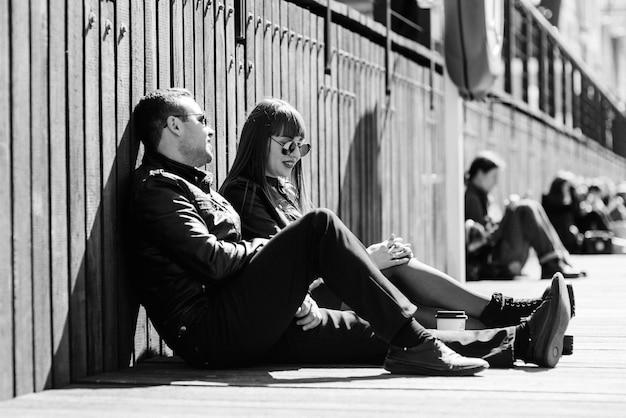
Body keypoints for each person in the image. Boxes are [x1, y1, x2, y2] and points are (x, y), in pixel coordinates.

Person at [130, 88, 571, 377]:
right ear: (173, 125)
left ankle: (518, 340)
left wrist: (286, 288)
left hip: (247, 318)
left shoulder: (195, 188)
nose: (209, 127)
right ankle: (439, 337)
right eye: (200, 118)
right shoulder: (158, 189)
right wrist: (289, 273)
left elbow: (234, 261)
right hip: (211, 333)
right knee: (320, 226)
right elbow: (214, 260)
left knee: (372, 333)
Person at [220, 97, 576, 329]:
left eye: (302, 146)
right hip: (298, 308)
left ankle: (506, 326)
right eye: (287, 144)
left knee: (397, 273)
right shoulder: (244, 193)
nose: (295, 153)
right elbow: (280, 270)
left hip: (321, 292)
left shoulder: (284, 190)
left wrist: (373, 257)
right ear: (258, 141)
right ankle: (506, 316)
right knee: (392, 276)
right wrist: (369, 258)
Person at [464, 152, 584, 280]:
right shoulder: (472, 198)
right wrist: (509, 213)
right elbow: (485, 240)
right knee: (524, 208)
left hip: (501, 254)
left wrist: (510, 213)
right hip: (494, 261)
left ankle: (559, 259)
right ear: (480, 174)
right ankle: (551, 264)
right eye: (493, 176)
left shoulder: (485, 196)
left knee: (532, 205)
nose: (496, 182)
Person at [542, 172, 583, 253]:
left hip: (568, 236)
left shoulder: (568, 202)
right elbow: (560, 210)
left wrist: (572, 192)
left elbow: (577, 212)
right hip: (555, 234)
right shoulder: (548, 200)